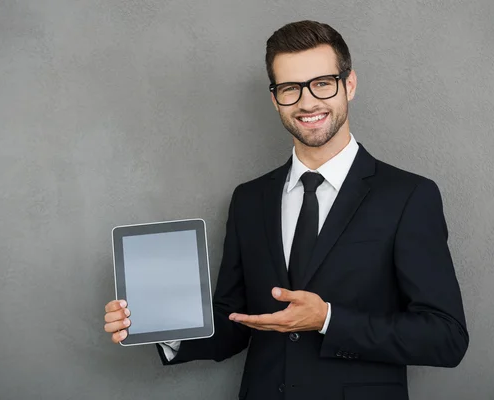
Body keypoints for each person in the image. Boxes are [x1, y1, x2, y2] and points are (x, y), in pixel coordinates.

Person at [103, 20, 469, 400]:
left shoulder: (409, 196)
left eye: (322, 83)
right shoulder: (249, 199)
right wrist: (162, 326)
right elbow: (236, 320)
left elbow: (445, 337)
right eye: (291, 88)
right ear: (275, 97)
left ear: (350, 84)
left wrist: (328, 319)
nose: (308, 102)